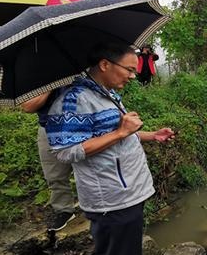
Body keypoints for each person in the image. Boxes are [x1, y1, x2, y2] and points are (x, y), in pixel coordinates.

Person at [45, 43, 174, 255]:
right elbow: (66, 151)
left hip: (130, 193)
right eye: (129, 70)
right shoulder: (75, 100)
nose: (133, 76)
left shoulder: (106, 94)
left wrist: (151, 135)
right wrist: (120, 132)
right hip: (113, 200)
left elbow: (118, 137)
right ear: (105, 64)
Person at [20, 89, 76, 231]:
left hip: (81, 125)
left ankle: (99, 207)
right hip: (48, 127)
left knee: (89, 168)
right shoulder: (38, 78)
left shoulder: (80, 70)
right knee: (54, 175)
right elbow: (28, 106)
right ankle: (64, 210)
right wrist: (51, 87)